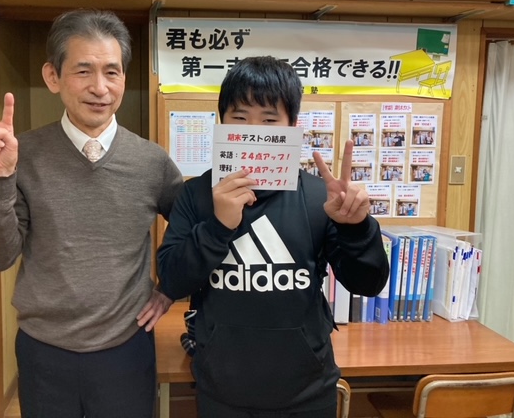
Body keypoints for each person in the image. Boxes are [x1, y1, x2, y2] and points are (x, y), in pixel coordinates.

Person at [0, 9, 183, 418]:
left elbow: (193, 229)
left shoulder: (151, 161)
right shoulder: (23, 154)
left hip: (126, 347)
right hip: (44, 350)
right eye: (83, 71)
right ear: (53, 76)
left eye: (112, 72)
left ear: (123, 77)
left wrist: (170, 288)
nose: (100, 88)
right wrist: (0, 178)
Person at [156, 56, 389, 418]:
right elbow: (171, 279)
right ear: (221, 122)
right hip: (222, 391)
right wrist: (218, 226)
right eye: (240, 118)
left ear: (292, 126)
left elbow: (368, 283)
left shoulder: (319, 198)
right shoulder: (197, 194)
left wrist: (356, 227)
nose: (254, 131)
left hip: (307, 393)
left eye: (269, 120)